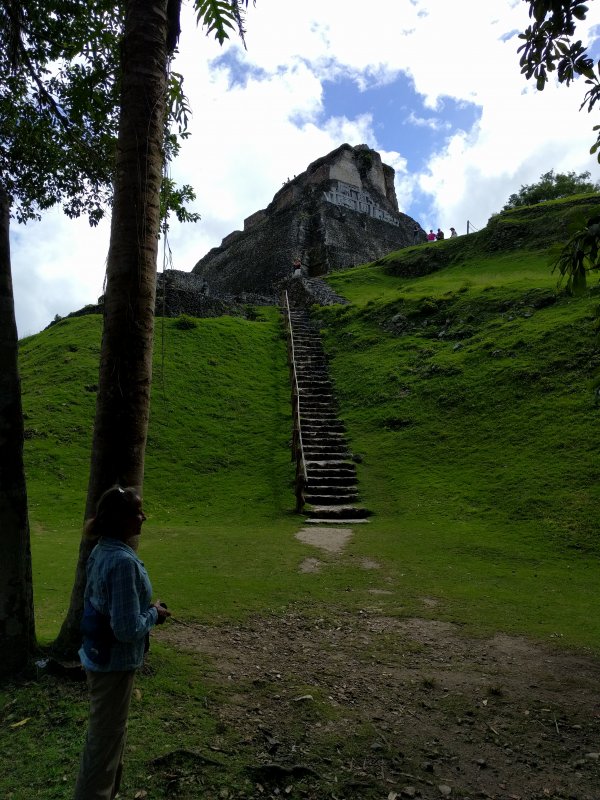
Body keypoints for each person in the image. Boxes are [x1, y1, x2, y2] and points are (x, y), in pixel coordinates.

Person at [74, 485, 171, 800]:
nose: (143, 517)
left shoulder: (102, 549)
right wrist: (154, 614)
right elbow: (126, 628)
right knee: (104, 742)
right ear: (119, 519)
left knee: (110, 737)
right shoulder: (121, 563)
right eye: (137, 511)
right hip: (112, 665)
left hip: (100, 658)